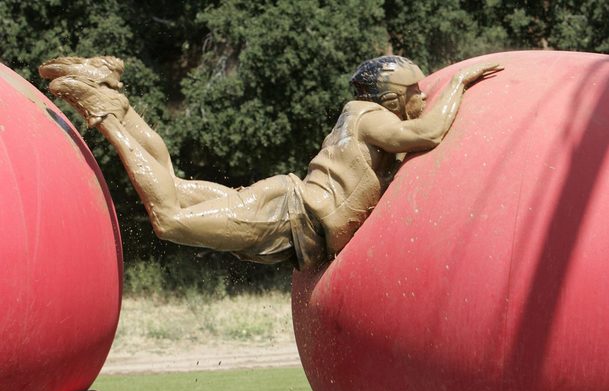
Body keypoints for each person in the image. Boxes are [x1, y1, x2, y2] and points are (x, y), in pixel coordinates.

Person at [39, 55, 501, 270]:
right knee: (171, 218)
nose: (423, 97)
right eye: (414, 91)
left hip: (289, 207)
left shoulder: (359, 115)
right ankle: (99, 106)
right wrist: (460, 80)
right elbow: (427, 133)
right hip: (291, 214)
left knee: (175, 188)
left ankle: (109, 91)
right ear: (391, 97)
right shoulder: (372, 117)